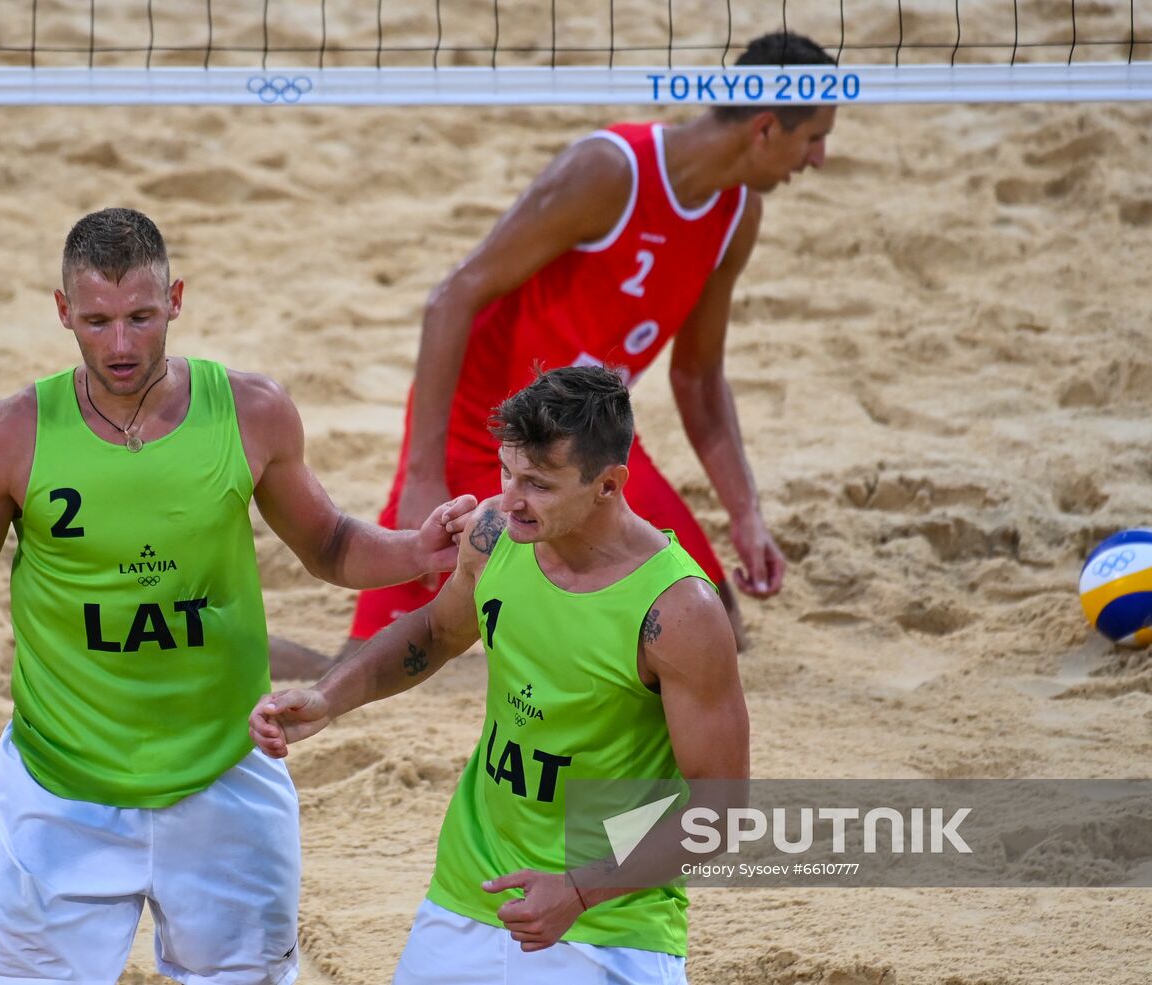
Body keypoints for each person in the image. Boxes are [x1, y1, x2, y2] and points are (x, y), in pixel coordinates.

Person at [0, 207, 476, 985]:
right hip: (64, 786)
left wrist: (415, 549)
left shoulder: (251, 410)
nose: (121, 345)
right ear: (63, 313)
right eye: (97, 321)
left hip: (223, 771)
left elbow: (328, 543)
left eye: (141, 317)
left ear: (176, 300)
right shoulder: (12, 433)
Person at [268, 30, 838, 677]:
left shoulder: (738, 213)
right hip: (485, 432)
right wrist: (426, 473)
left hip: (593, 447)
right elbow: (452, 296)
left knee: (714, 628)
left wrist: (747, 514)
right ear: (765, 128)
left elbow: (700, 378)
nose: (819, 157)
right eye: (814, 136)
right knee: (365, 665)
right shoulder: (609, 171)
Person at [251, 365, 750, 984]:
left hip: (610, 924)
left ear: (608, 485)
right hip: (471, 888)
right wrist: (329, 697)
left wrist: (577, 890)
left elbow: (722, 810)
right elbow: (436, 631)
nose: (511, 499)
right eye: (506, 472)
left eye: (537, 484)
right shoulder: (495, 536)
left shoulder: (678, 613)